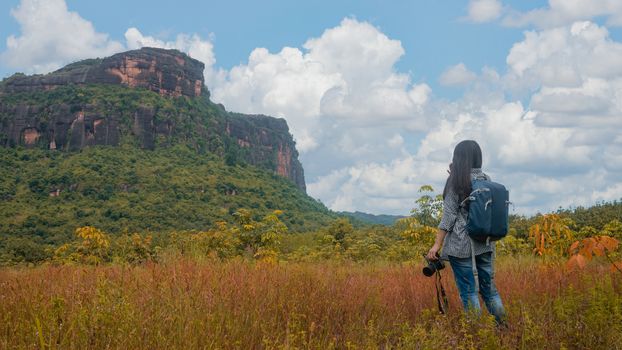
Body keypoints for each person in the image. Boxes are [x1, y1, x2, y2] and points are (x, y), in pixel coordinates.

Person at [426, 140, 506, 325]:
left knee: (468, 292)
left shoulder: (456, 181)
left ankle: (475, 333)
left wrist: (436, 245)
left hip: (461, 246)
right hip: (485, 244)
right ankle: (503, 328)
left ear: (458, 158)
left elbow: (448, 217)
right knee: (489, 290)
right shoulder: (486, 178)